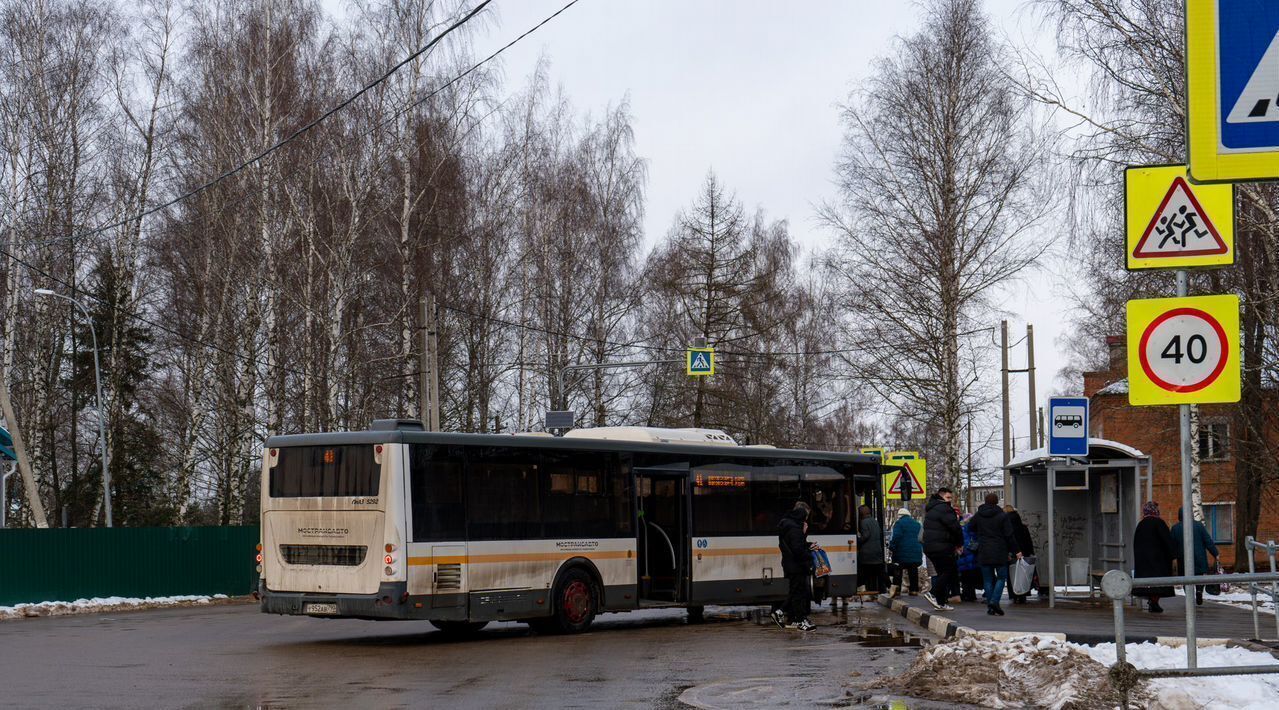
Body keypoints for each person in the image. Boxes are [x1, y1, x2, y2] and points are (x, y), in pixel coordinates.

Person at [968, 492, 1022, 616]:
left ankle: (991, 606)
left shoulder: (978, 515)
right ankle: (994, 601)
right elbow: (1009, 535)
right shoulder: (1002, 516)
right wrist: (1017, 550)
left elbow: (970, 527)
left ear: (985, 502)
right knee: (1001, 577)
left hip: (984, 550)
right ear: (997, 502)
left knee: (987, 579)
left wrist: (980, 534)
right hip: (999, 550)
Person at [772, 501, 816, 631]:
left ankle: (796, 619)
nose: (807, 519)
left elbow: (795, 545)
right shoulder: (795, 528)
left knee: (796, 592)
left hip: (791, 564)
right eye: (806, 515)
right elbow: (798, 550)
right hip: (796, 566)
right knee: (798, 593)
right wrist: (810, 553)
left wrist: (809, 544)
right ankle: (784, 613)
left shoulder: (788, 525)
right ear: (802, 514)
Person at [922, 487, 963, 611]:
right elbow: (955, 528)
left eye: (951, 498)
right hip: (942, 546)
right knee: (949, 571)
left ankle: (940, 603)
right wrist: (959, 544)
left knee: (941, 573)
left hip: (930, 546)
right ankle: (932, 593)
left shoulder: (931, 509)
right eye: (948, 497)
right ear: (941, 497)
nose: (949, 500)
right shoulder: (945, 509)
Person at [1133, 501, 1177, 613]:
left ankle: (1152, 602)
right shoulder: (1159, 523)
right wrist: (1173, 554)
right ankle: (1154, 602)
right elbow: (1167, 541)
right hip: (1158, 560)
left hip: (1143, 561)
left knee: (1148, 584)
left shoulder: (1141, 524)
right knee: (1158, 583)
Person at [1171, 507, 1220, 606]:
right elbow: (1208, 541)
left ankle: (1189, 596)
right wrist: (1215, 553)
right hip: (1199, 558)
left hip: (1183, 559)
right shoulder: (1199, 526)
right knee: (1199, 576)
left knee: (1186, 579)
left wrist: (1172, 558)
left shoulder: (1175, 528)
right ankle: (1199, 591)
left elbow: (1172, 545)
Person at [888, 507, 923, 597]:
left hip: (901, 552)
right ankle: (914, 590)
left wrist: (891, 547)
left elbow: (896, 536)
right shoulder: (917, 524)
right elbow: (921, 538)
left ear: (899, 516)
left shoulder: (899, 523)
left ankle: (897, 590)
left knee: (898, 570)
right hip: (916, 551)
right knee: (913, 570)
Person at [1004, 505, 1035, 604]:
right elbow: (1028, 541)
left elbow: (1007, 540)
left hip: (1012, 553)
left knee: (1012, 574)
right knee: (1023, 574)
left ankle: (1014, 594)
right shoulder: (1023, 527)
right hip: (1024, 553)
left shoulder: (1007, 527)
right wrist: (1030, 552)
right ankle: (1023, 594)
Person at [857, 505, 885, 593]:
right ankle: (886, 587)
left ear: (862, 513)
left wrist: (857, 541)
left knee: (863, 570)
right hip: (877, 550)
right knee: (879, 571)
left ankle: (863, 587)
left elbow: (866, 535)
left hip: (867, 552)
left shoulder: (864, 522)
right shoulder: (875, 521)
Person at [957, 513, 981, 602]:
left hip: (964, 555)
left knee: (965, 577)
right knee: (971, 576)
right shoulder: (974, 529)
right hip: (972, 555)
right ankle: (971, 594)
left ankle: (967, 594)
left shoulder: (963, 529)